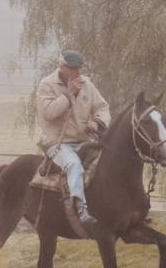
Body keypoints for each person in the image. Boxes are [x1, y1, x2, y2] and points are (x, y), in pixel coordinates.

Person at [35, 49, 111, 227]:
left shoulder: (87, 84)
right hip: (57, 142)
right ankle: (80, 207)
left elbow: (102, 107)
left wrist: (97, 123)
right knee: (74, 164)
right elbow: (48, 113)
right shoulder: (46, 85)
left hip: (84, 141)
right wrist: (68, 95)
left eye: (80, 68)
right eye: (74, 69)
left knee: (109, 161)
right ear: (62, 67)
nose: (78, 73)